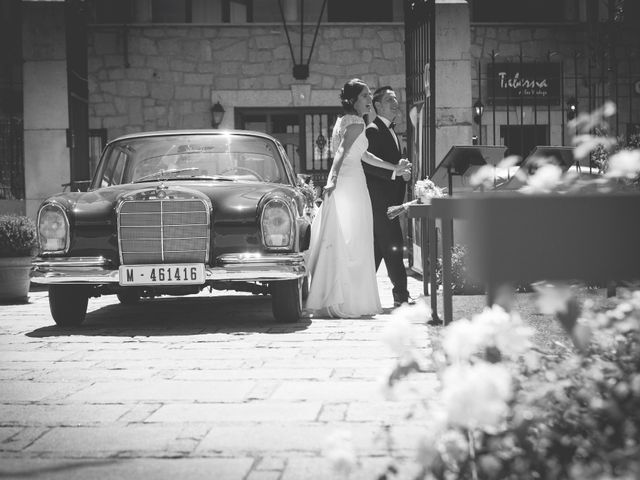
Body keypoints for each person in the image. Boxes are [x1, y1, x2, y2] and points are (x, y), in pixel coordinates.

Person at [305, 79, 411, 318]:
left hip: (352, 182)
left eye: (369, 95)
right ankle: (347, 300)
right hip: (351, 184)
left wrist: (394, 168)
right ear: (353, 100)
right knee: (354, 242)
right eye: (365, 96)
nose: (368, 101)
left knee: (352, 241)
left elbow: (365, 155)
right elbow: (342, 151)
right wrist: (331, 179)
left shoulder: (346, 121)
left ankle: (347, 296)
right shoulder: (354, 122)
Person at [364, 86, 412, 307]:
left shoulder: (391, 130)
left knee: (379, 249)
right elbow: (369, 166)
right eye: (390, 99)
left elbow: (393, 166)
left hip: (391, 201)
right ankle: (401, 294)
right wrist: (394, 171)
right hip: (381, 203)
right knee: (394, 246)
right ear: (378, 105)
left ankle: (357, 292)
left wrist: (403, 174)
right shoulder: (373, 130)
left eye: (396, 99)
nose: (396, 103)